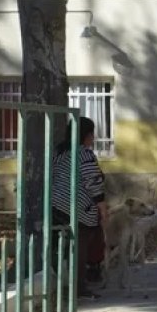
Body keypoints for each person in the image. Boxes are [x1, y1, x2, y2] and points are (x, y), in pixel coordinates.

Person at [52, 116, 108, 300]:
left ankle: (74, 279)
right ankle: (80, 286)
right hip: (75, 206)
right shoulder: (84, 154)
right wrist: (102, 207)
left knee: (69, 244)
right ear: (86, 135)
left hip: (55, 204)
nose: (93, 137)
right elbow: (93, 183)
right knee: (82, 242)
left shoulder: (59, 152)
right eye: (92, 133)